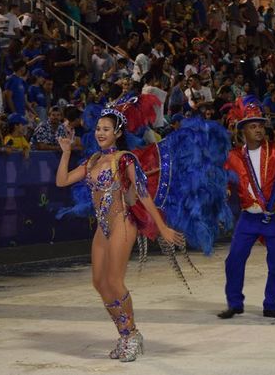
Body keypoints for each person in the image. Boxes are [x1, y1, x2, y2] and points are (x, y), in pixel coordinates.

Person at [55, 108, 184, 362]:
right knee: (99, 283)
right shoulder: (92, 161)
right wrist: (66, 152)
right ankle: (125, 334)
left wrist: (162, 227)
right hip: (102, 228)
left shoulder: (125, 159)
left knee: (114, 281)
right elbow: (62, 181)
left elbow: (143, 195)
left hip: (123, 223)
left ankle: (131, 335)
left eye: (106, 129)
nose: (100, 133)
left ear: (118, 133)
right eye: (98, 129)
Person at [218, 96, 275, 319]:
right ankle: (235, 303)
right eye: (253, 126)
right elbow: (225, 181)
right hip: (248, 218)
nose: (258, 130)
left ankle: (271, 304)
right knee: (234, 259)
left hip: (274, 217)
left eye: (261, 125)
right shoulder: (234, 156)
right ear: (243, 130)